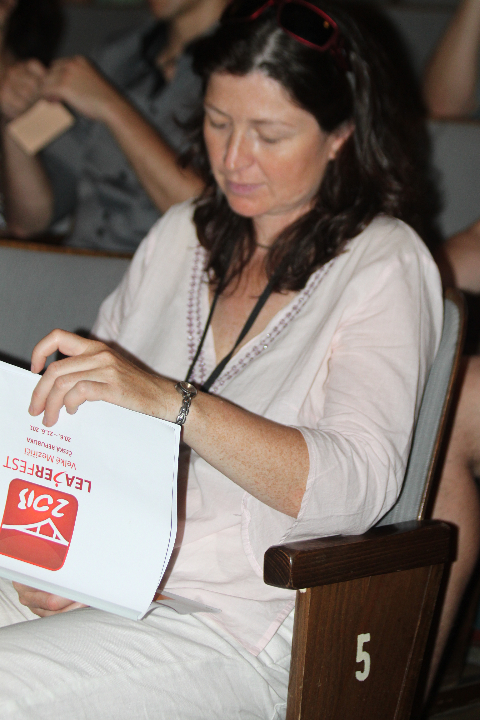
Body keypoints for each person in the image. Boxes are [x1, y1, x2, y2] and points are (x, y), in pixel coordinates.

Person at [0, 1, 445, 716]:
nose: (234, 160)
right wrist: (54, 555)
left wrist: (175, 403)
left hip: (233, 620)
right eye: (217, 122)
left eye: (269, 134)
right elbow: (85, 443)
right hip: (105, 579)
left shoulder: (384, 262)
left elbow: (358, 486)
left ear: (341, 135)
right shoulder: (182, 233)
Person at [0, 0, 224, 253]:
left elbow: (214, 224)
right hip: (78, 266)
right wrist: (13, 120)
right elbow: (30, 221)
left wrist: (111, 106)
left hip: (172, 273)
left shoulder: (245, 67)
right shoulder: (115, 54)